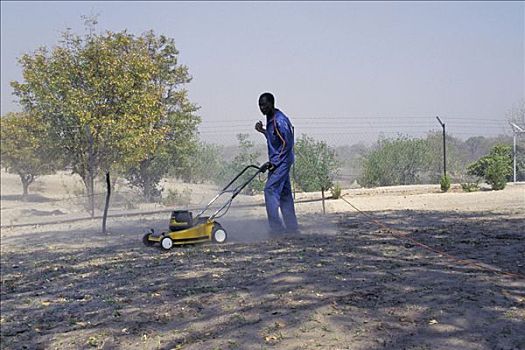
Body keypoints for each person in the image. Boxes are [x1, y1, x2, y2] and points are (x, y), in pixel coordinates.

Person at [255, 92, 299, 235]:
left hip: (282, 161)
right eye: (260, 106)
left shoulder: (279, 120)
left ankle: (277, 229)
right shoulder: (270, 118)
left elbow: (287, 143)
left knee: (270, 190)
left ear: (271, 104)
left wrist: (276, 163)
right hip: (278, 160)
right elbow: (274, 138)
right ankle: (292, 228)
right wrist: (262, 131)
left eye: (264, 105)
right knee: (285, 194)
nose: (262, 108)